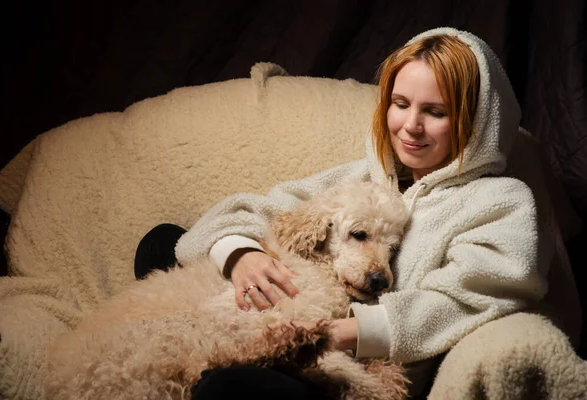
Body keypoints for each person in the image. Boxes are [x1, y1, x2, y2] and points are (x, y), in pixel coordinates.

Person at [135, 27, 549, 398]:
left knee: (227, 387)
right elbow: (264, 210)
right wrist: (244, 256)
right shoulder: (364, 175)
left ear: (474, 121)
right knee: (165, 241)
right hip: (288, 315)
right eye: (401, 104)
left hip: (346, 360)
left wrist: (333, 334)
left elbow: (469, 300)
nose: (411, 126)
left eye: (435, 112)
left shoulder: (498, 201)